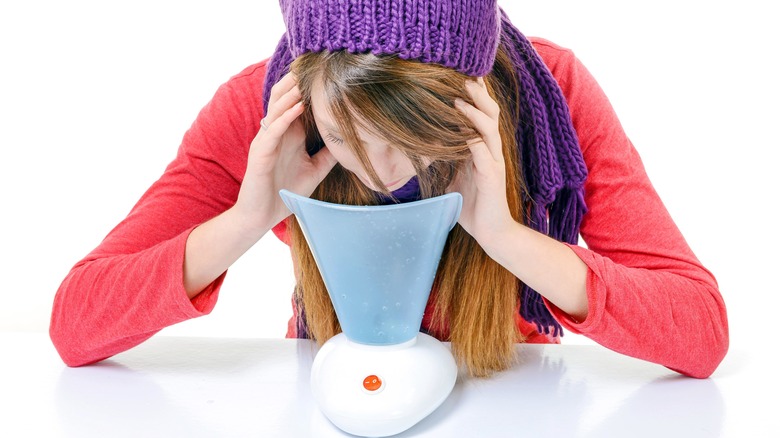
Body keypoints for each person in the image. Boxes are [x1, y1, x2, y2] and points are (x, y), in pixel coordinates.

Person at [50, 0, 728, 378]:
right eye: (345, 136)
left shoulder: (553, 97)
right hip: (331, 402)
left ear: (470, 93)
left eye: (412, 139)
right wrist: (246, 218)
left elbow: (699, 331)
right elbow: (77, 324)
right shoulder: (265, 116)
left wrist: (504, 236)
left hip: (515, 404)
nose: (382, 173)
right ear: (305, 86)